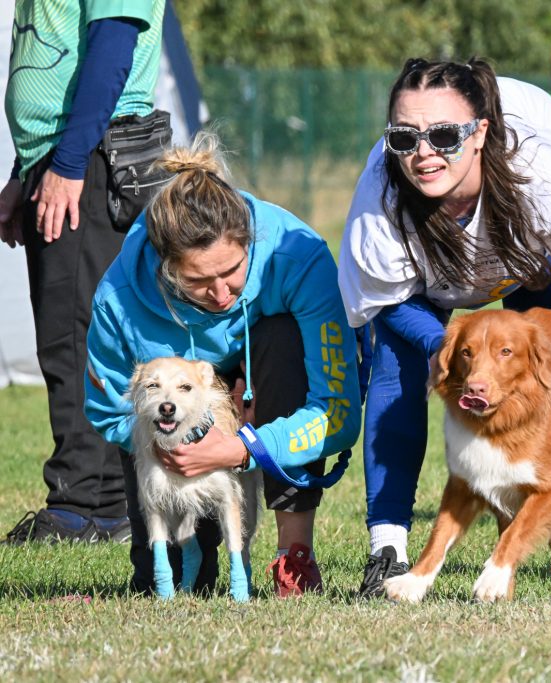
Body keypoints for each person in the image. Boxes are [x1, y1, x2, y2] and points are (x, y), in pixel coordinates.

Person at [338, 57, 551, 602]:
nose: (423, 153)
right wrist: (447, 348)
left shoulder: (541, 174)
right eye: (404, 137)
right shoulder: (382, 196)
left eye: (444, 135)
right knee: (397, 373)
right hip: (426, 290)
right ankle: (388, 551)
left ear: (480, 133)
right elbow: (387, 301)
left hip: (533, 265)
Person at [84, 134, 362, 597]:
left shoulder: (298, 257)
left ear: (249, 241)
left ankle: (294, 559)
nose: (220, 294)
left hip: (261, 393)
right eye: (197, 280)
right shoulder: (118, 300)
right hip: (172, 422)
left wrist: (245, 446)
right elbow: (109, 408)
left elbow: (338, 413)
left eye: (233, 270)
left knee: (282, 336)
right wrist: (166, 443)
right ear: (165, 267)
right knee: (174, 583)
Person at [0, 1, 168, 544]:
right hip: (64, 159)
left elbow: (113, 46)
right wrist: (25, 172)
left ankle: (84, 510)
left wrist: (68, 165)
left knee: (78, 339)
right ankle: (104, 506)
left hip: (92, 163)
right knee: (71, 334)